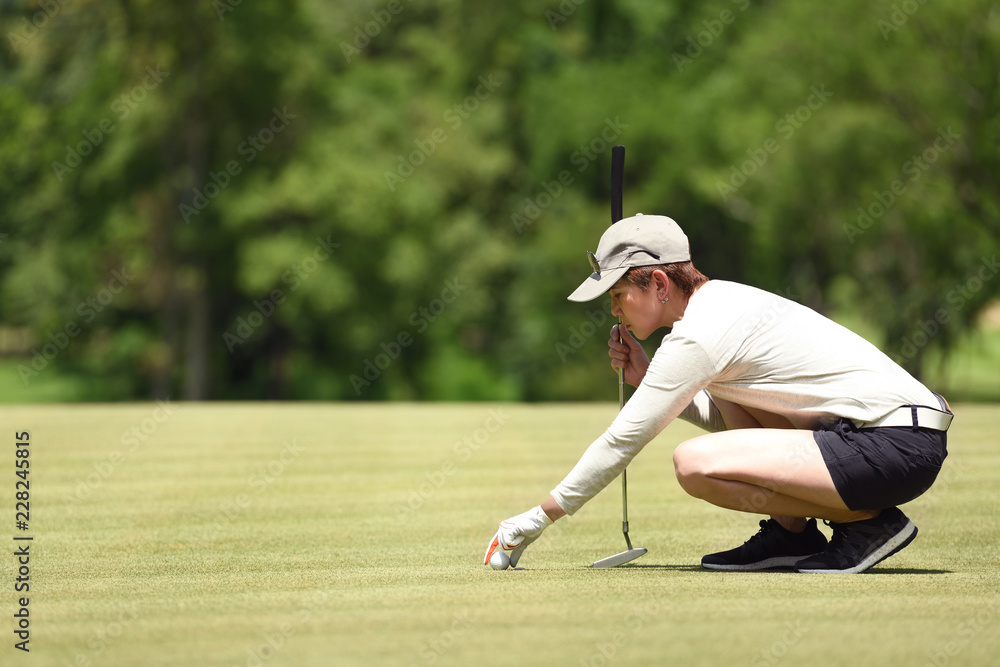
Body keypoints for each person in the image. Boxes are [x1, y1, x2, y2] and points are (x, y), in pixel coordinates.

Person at [484, 214, 953, 574]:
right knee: (722, 393)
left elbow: (623, 439)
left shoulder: (699, 336)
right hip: (899, 439)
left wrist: (537, 518)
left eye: (618, 293)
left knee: (693, 465)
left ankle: (867, 524)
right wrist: (648, 375)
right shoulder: (720, 304)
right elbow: (735, 428)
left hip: (891, 444)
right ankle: (794, 535)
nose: (612, 308)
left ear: (660, 284)